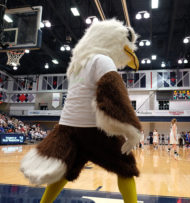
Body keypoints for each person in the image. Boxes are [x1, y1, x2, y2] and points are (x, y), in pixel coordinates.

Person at [20, 19, 141, 203]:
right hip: (93, 129)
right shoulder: (103, 59)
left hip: (68, 127)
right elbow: (113, 94)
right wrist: (131, 128)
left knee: (66, 171)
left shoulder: (78, 66)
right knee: (126, 167)